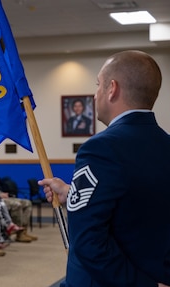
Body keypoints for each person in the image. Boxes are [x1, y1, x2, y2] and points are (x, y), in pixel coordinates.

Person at [38, 50, 170, 287]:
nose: (95, 93)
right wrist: (72, 194)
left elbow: (87, 242)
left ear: (112, 89)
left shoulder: (101, 149)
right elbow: (137, 205)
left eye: (98, 84)